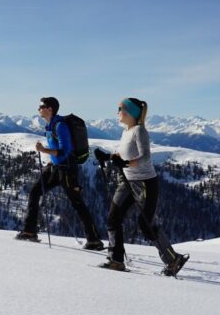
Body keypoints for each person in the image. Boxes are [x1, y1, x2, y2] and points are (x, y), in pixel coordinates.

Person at [93, 97, 189, 276]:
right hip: (127, 181)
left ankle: (173, 259)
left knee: (146, 223)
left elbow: (145, 157)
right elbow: (122, 155)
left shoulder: (139, 131)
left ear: (130, 112)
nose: (117, 112)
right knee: (113, 218)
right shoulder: (126, 131)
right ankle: (115, 260)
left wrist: (126, 163)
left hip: (145, 183)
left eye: (120, 108)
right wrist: (107, 157)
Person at [15, 97, 105, 250]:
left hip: (67, 170)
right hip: (55, 168)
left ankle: (94, 240)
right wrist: (51, 160)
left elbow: (65, 151)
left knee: (77, 203)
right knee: (35, 192)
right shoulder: (51, 125)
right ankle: (29, 231)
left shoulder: (60, 126)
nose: (39, 109)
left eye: (41, 106)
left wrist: (44, 151)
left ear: (50, 109)